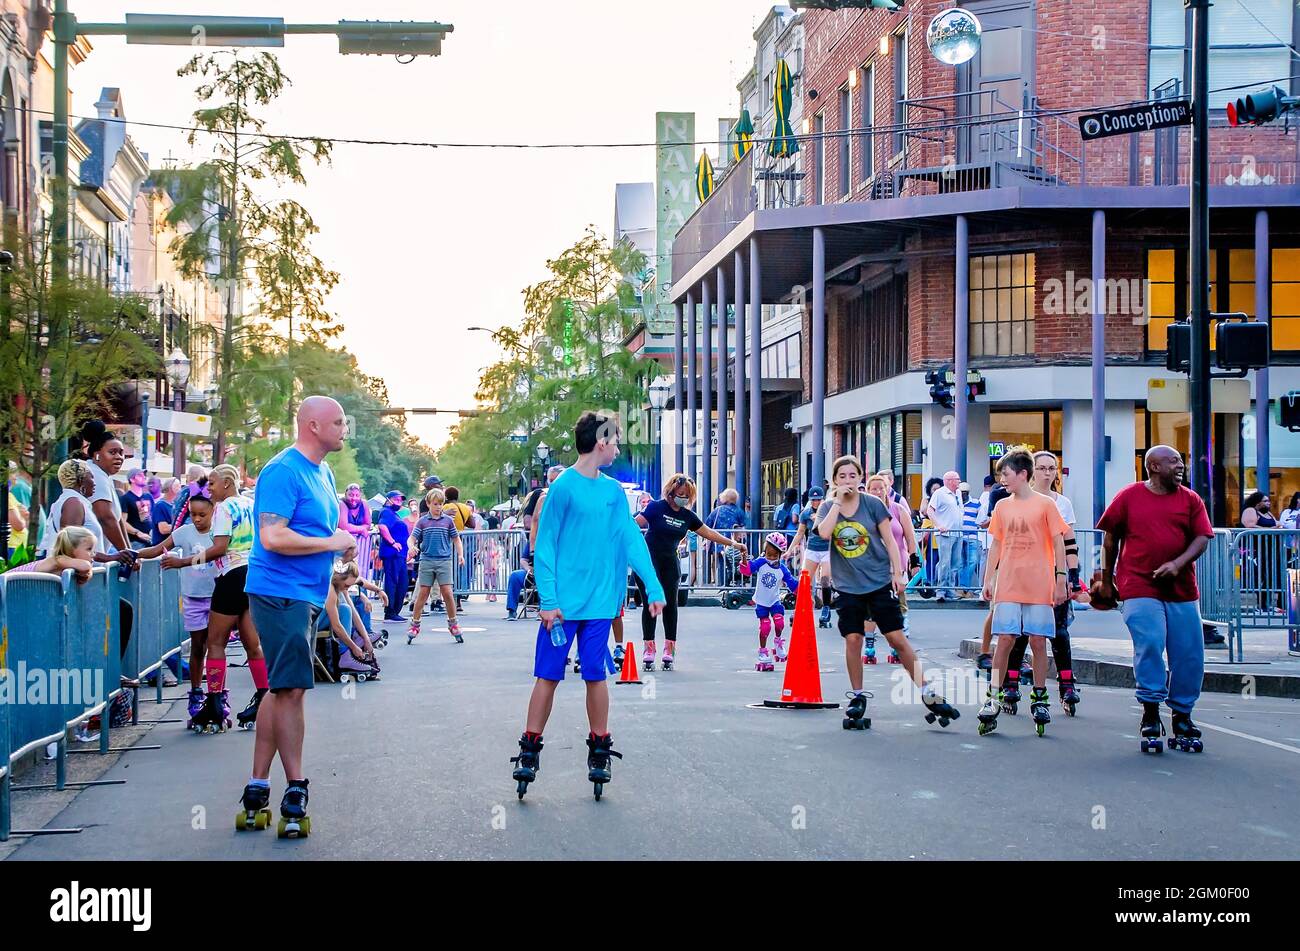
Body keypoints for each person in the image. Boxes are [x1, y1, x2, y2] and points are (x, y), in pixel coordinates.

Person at [511, 412, 665, 800]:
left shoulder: (613, 492)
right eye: (614, 440)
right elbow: (543, 547)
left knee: (596, 675)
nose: (617, 446)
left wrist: (654, 586)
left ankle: (599, 748)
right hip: (562, 607)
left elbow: (632, 539)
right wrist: (548, 600)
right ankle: (530, 747)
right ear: (600, 441)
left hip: (599, 605)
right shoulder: (562, 489)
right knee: (548, 675)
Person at [238, 396, 355, 838]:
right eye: (339, 422)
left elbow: (314, 532)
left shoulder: (322, 472)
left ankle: (257, 784)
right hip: (278, 593)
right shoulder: (282, 471)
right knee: (291, 691)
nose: (345, 429)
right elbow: (272, 536)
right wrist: (329, 544)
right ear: (312, 425)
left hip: (304, 593)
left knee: (280, 689)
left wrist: (339, 551)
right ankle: (296, 785)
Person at [816, 455, 960, 731]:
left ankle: (927, 690)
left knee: (895, 636)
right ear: (835, 480)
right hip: (847, 584)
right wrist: (836, 502)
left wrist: (897, 572)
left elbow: (890, 541)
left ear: (860, 478)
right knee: (854, 638)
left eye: (852, 475)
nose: (848, 481)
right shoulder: (826, 507)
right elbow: (823, 534)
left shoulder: (872, 504)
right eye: (842, 476)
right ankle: (857, 695)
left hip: (878, 579)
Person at [1093, 445, 1213, 753]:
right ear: (1154, 467)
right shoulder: (1130, 497)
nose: (1180, 465)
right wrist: (1107, 581)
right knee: (1150, 642)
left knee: (1188, 654)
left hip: (1182, 588)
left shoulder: (1190, 499)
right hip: (1138, 584)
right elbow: (1110, 539)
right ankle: (1149, 710)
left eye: (1181, 460)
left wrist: (1177, 563)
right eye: (1172, 461)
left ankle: (1182, 715)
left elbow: (1202, 538)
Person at [977, 450, 1069, 737]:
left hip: (1039, 581)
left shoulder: (1046, 505)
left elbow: (1058, 543)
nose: (1002, 479)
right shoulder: (1003, 507)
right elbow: (996, 545)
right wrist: (988, 578)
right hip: (1009, 582)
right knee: (1004, 640)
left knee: (1038, 641)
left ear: (1022, 474)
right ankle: (994, 695)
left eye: (1006, 473)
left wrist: (1061, 579)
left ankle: (1040, 696)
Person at [1000, 451, 1085, 714]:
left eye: (1052, 468)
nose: (1048, 473)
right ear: (1030, 471)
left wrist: (1071, 578)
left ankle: (1066, 684)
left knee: (1056, 633)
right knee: (1017, 634)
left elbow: (1068, 542)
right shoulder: (1012, 500)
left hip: (1050, 575)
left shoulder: (1061, 503)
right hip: (1019, 575)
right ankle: (1010, 683)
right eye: (1042, 468)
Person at [634, 474, 746, 670]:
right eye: (680, 494)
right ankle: (649, 647)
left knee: (670, 605)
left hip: (670, 564)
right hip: (648, 563)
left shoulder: (687, 516)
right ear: (671, 492)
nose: (682, 498)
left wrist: (733, 543)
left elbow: (709, 533)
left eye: (686, 496)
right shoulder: (655, 507)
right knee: (650, 605)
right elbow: (635, 524)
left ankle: (669, 648)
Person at [195, 464, 269, 733]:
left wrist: (184, 561)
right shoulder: (250, 504)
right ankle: (264, 695)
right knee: (253, 643)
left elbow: (220, 548)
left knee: (215, 642)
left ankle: (214, 701)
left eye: (212, 483)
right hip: (254, 575)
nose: (209, 489)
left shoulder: (224, 508)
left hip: (232, 574)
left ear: (227, 483)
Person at [138, 481, 218, 727]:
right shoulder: (183, 532)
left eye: (202, 515)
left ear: (213, 512)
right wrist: (132, 554)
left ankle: (216, 694)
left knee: (216, 648)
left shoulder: (220, 532)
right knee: (197, 647)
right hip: (193, 597)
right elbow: (158, 549)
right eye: (192, 514)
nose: (196, 519)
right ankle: (196, 692)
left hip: (217, 597)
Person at [862, 474, 918, 663]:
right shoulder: (863, 512)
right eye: (873, 489)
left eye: (881, 488)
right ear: (867, 491)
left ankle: (896, 648)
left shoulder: (898, 509)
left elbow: (910, 539)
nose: (877, 492)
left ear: (887, 489)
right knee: (870, 609)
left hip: (897, 566)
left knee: (895, 607)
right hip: (871, 568)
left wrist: (914, 562)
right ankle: (869, 647)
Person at [406, 488, 465, 643]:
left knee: (447, 592)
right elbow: (412, 538)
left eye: (440, 504)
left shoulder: (448, 521)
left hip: (444, 560)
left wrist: (460, 555)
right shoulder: (423, 521)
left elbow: (456, 539)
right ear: (428, 504)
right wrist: (411, 547)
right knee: (423, 593)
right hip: (427, 560)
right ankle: (415, 623)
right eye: (435, 504)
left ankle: (453, 623)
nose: (438, 507)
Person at [739, 532, 798, 670]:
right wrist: (744, 560)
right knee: (765, 627)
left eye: (774, 556)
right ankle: (763, 651)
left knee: (779, 622)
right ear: (764, 551)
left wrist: (803, 589)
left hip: (775, 601)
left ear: (780, 554)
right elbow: (747, 571)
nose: (770, 558)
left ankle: (778, 643)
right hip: (761, 602)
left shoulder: (782, 569)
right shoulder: (760, 562)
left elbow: (792, 584)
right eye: (768, 554)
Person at [317, 561, 381, 681]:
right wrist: (353, 647)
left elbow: (353, 611)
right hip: (311, 623)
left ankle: (356, 640)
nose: (347, 588)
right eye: (346, 586)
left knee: (346, 608)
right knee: (345, 609)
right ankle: (345, 654)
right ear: (339, 578)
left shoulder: (340, 581)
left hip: (317, 618)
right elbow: (336, 625)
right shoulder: (331, 588)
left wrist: (366, 639)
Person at [80, 420, 136, 557]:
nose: (119, 457)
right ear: (97, 455)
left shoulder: (105, 476)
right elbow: (106, 518)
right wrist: (126, 553)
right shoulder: (94, 475)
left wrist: (130, 552)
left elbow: (117, 520)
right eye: (113, 452)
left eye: (121, 453)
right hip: (83, 559)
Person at [788, 486, 833, 628]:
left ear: (823, 500)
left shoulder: (829, 512)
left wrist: (819, 520)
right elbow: (800, 533)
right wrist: (789, 550)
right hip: (812, 548)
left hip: (827, 549)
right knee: (804, 579)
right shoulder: (805, 513)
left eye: (818, 500)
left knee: (825, 579)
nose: (816, 503)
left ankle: (826, 608)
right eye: (813, 500)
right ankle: (800, 609)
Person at [926, 471, 964, 601]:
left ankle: (950, 590)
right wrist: (938, 525)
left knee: (955, 563)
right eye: (957, 479)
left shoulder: (957, 493)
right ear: (949, 481)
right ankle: (941, 590)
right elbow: (930, 510)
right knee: (944, 562)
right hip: (945, 533)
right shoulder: (939, 494)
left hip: (957, 532)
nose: (959, 481)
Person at [10, 526, 96, 582]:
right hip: (5, 587)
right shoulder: (58, 560)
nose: (93, 554)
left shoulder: (65, 564)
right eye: (89, 549)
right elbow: (85, 566)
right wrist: (89, 571)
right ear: (71, 549)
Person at [377, 491, 411, 622]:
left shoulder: (394, 514)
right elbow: (382, 527)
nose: (399, 501)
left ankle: (394, 610)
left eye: (400, 500)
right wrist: (392, 542)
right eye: (396, 499)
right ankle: (390, 611)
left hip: (400, 554)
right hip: (392, 553)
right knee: (393, 582)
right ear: (388, 500)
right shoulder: (386, 512)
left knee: (402, 582)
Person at [340, 483, 374, 583]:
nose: (353, 498)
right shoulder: (341, 504)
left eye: (356, 495)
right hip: (344, 545)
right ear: (346, 494)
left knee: (360, 569)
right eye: (351, 495)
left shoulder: (364, 504)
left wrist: (360, 529)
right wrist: (362, 529)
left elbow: (368, 524)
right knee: (345, 570)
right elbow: (344, 526)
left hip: (360, 547)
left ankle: (360, 590)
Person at [118, 469, 155, 549]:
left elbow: (153, 516)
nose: (144, 477)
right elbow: (122, 522)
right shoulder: (125, 498)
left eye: (144, 475)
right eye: (140, 475)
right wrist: (137, 533)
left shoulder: (148, 496)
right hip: (135, 542)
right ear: (132, 479)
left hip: (151, 539)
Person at [150, 478, 181, 546]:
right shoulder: (160, 505)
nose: (180, 488)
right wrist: (182, 525)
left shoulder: (175, 505)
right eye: (177, 485)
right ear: (169, 488)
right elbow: (163, 529)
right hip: (161, 546)